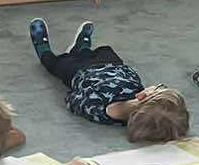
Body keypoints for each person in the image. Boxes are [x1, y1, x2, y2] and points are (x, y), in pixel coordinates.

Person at [28, 18, 189, 141]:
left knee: (57, 63)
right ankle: (81, 48)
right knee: (104, 50)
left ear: (143, 96)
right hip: (113, 65)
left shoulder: (97, 108)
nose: (156, 85)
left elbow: (74, 100)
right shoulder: (140, 106)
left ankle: (43, 49)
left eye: (159, 87)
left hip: (80, 73)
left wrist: (75, 89)